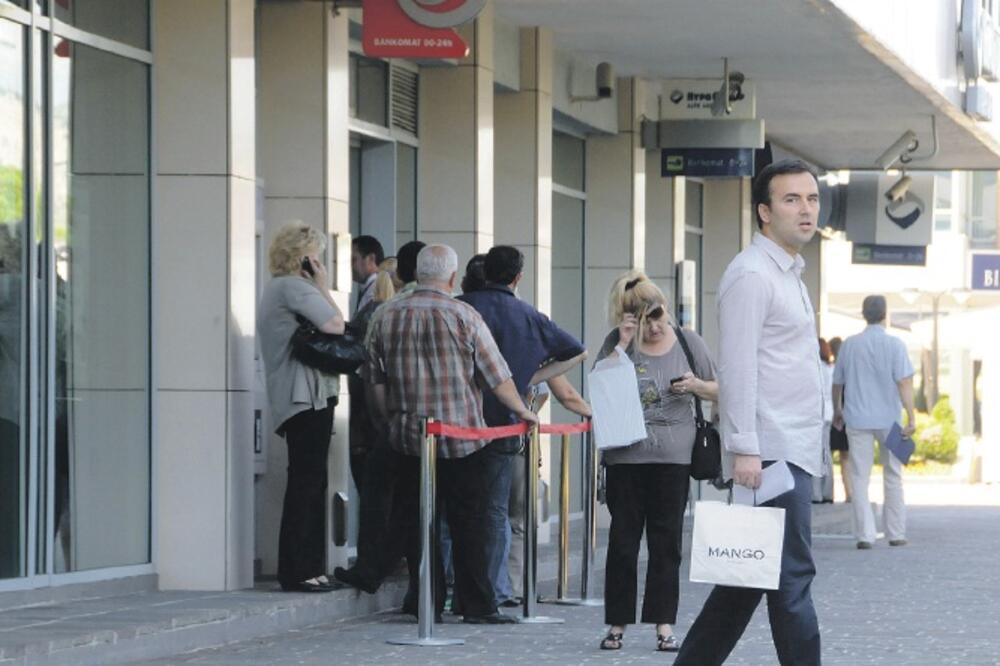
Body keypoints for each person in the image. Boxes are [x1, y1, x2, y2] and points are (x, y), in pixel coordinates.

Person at [674, 159, 825, 666]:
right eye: (791, 199)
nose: (805, 210)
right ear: (764, 211)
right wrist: (744, 449)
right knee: (791, 578)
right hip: (770, 452)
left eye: (812, 199)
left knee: (745, 581)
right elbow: (737, 369)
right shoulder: (752, 275)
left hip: (789, 447)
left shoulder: (788, 274)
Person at [365, 244, 539, 624]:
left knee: (419, 524)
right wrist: (523, 410)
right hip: (463, 440)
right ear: (452, 277)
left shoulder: (385, 315)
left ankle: (426, 601)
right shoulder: (465, 315)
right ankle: (476, 604)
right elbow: (497, 377)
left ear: (415, 274)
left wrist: (387, 423)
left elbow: (375, 382)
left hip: (409, 438)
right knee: (469, 525)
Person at [457, 245, 587, 609]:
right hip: (507, 423)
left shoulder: (459, 308)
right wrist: (526, 379)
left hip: (456, 423)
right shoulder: (528, 315)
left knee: (457, 513)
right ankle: (499, 591)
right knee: (501, 513)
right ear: (518, 277)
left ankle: (458, 590)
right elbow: (577, 351)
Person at [594, 271, 718, 653]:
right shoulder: (617, 343)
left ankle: (663, 625)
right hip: (625, 457)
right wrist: (623, 345)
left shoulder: (687, 341)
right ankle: (617, 624)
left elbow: (719, 388)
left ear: (665, 309)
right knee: (623, 543)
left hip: (674, 458)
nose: (653, 328)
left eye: (658, 317)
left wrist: (694, 386)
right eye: (644, 321)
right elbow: (599, 386)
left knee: (666, 544)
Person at [257, 221, 346, 593]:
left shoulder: (276, 288)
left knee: (309, 480)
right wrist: (323, 285)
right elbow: (336, 324)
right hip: (304, 396)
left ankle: (309, 566)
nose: (320, 262)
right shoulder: (293, 287)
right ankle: (299, 570)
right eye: (316, 256)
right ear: (305, 258)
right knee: (307, 483)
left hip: (301, 396)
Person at [832, 295, 915, 549]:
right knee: (893, 474)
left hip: (857, 418)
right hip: (890, 420)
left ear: (863, 314)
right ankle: (896, 533)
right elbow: (904, 382)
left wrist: (837, 410)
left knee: (859, 476)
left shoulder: (849, 345)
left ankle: (865, 535)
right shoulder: (896, 345)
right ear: (884, 315)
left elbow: (837, 382)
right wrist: (911, 416)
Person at [812, 338, 835, 503]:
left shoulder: (815, 368)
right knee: (826, 454)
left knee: (815, 453)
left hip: (817, 413)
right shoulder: (830, 369)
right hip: (829, 413)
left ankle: (816, 494)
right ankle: (828, 492)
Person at [828, 336, 851, 501]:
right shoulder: (850, 369)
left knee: (838, 457)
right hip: (850, 416)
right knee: (847, 457)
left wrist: (837, 410)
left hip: (837, 417)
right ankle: (850, 492)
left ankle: (844, 491)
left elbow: (835, 390)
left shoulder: (832, 369)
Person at [351, 235, 385, 313]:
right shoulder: (369, 287)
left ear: (371, 259)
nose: (349, 265)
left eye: (353, 260)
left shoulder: (376, 292)